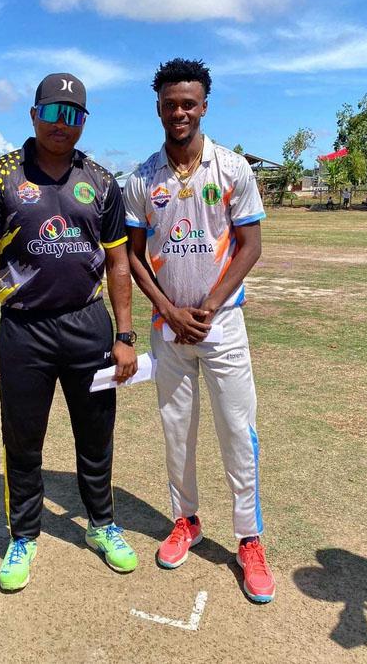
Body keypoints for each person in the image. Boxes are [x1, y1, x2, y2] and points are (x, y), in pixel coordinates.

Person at [0, 72, 139, 592]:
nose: (63, 125)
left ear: (84, 122)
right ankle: (24, 534)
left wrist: (125, 336)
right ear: (34, 113)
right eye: (54, 112)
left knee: (96, 433)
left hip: (88, 326)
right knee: (23, 439)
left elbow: (119, 263)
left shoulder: (104, 181)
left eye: (74, 116)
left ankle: (102, 525)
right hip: (24, 331)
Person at [124, 58, 275, 603]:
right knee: (176, 433)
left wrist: (208, 306)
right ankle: (185, 520)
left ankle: (249, 539)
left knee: (238, 431)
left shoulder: (232, 168)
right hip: (169, 330)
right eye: (170, 104)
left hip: (223, 325)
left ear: (204, 105)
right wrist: (168, 310)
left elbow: (251, 245)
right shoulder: (141, 178)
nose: (179, 111)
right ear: (159, 108)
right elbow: (135, 257)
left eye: (189, 102)